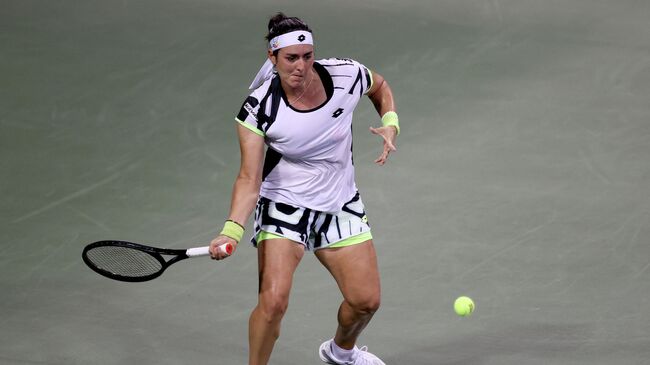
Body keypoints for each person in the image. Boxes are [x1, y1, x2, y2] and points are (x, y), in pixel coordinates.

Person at [209, 13, 400, 365]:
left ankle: (341, 353)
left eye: (307, 56)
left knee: (365, 301)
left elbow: (380, 87)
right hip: (285, 205)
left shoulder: (346, 73)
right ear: (273, 58)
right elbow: (249, 178)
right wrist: (232, 229)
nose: (301, 66)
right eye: (291, 58)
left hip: (339, 203)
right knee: (273, 303)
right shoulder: (259, 108)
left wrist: (390, 121)